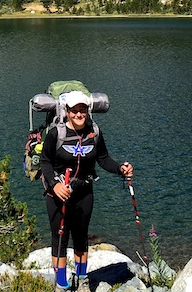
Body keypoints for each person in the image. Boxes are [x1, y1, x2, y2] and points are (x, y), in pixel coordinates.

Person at [39, 90, 133, 292]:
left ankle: (81, 280)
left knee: (81, 237)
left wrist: (120, 169)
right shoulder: (56, 133)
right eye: (74, 111)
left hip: (84, 193)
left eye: (82, 110)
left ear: (88, 111)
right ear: (67, 111)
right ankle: (61, 284)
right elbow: (44, 162)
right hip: (58, 194)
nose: (79, 115)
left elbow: (104, 159)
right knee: (60, 238)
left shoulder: (95, 132)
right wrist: (55, 186)